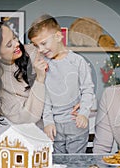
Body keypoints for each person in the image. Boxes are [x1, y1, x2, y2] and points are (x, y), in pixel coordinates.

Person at [28, 14, 96, 153]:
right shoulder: (43, 65)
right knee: (57, 162)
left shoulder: (78, 62)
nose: (40, 49)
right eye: (36, 45)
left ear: (58, 37)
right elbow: (44, 97)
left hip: (76, 123)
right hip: (54, 127)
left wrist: (84, 112)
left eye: (43, 43)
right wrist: (48, 122)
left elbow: (88, 90)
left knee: (76, 162)